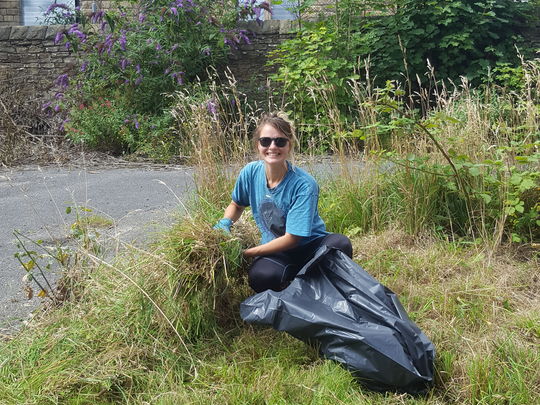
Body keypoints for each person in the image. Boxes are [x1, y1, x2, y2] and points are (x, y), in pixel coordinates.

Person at [214, 112, 352, 293]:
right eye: (265, 141)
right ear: (258, 144)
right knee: (261, 276)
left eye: (280, 141)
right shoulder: (250, 172)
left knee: (340, 245)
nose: (272, 146)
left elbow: (293, 238)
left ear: (289, 146)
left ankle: (315, 285)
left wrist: (246, 253)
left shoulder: (303, 184)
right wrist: (225, 223)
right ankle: (295, 281)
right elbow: (236, 205)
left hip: (310, 247)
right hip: (276, 250)